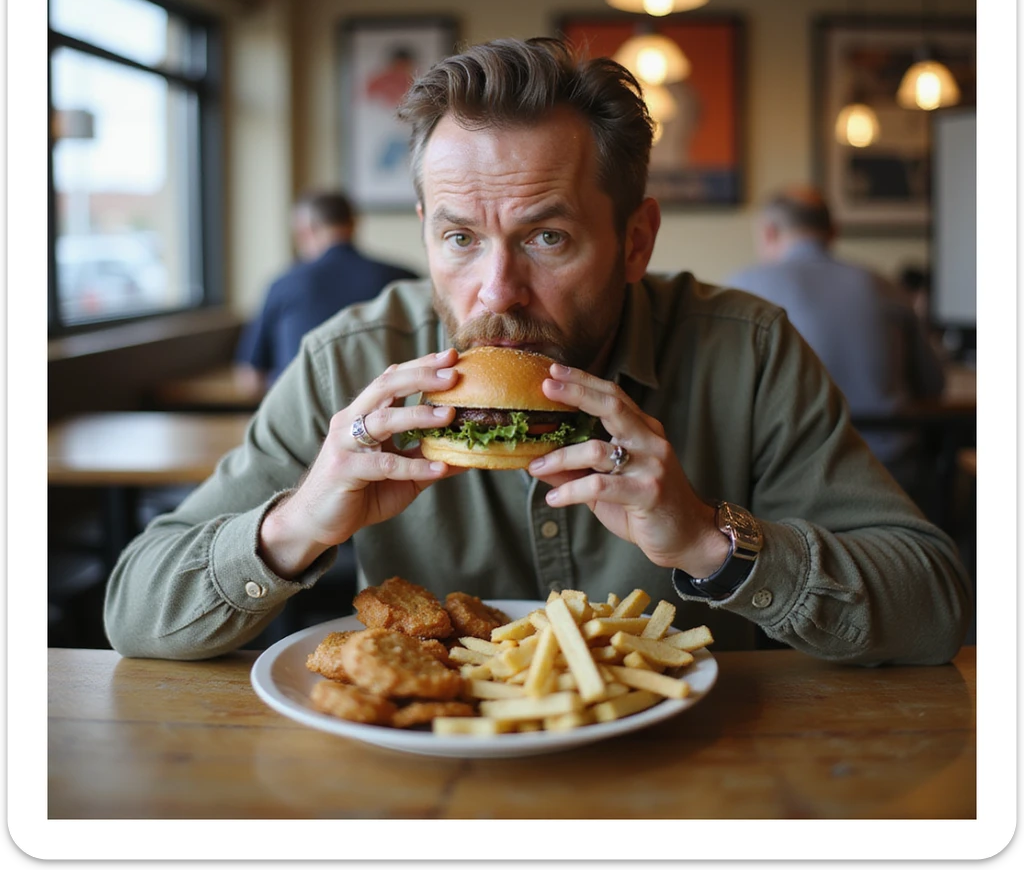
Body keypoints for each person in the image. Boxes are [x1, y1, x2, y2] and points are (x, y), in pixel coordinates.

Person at [105, 38, 972, 666]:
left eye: (547, 238)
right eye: (459, 239)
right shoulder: (352, 363)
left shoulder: (748, 352)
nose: (496, 293)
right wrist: (297, 524)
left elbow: (934, 606)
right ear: (425, 231)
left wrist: (711, 542)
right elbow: (135, 608)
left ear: (635, 241)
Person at [726, 186, 948, 509]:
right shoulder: (885, 286)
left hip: (796, 484)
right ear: (833, 231)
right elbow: (933, 384)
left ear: (769, 232)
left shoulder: (744, 289)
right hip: (893, 477)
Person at [234, 191, 418, 388]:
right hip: (392, 404)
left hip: (304, 406)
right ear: (353, 224)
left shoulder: (284, 284)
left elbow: (250, 376)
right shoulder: (404, 278)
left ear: (305, 231)